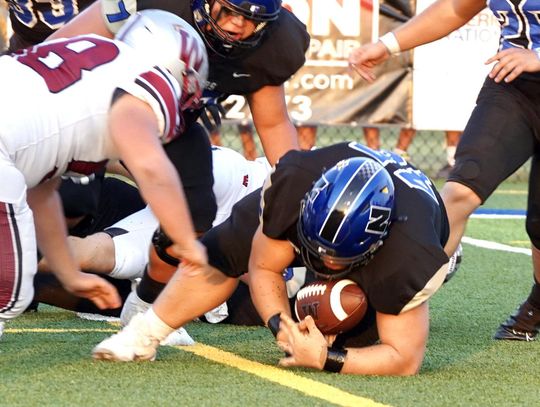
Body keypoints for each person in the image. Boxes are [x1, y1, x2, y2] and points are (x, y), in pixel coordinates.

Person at [92, 142, 452, 377]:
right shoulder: (294, 182)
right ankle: (144, 332)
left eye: (335, 260)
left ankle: (448, 262)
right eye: (316, 252)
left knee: (348, 332)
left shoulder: (409, 253)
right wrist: (282, 326)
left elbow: (404, 359)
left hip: (408, 229)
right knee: (219, 252)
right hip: (313, 200)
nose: (323, 263)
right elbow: (263, 266)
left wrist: (329, 360)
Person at [0, 10, 208, 336]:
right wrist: (186, 241)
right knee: (9, 292)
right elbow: (151, 166)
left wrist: (70, 274)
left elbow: (42, 196)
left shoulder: (87, 76)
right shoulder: (148, 80)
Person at [348, 0, 540, 341]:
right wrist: (386, 45)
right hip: (514, 87)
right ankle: (395, 304)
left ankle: (538, 303)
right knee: (459, 191)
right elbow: (454, 9)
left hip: (529, 65)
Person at [47, 0, 309, 167]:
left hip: (170, 129)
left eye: (252, 18)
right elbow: (59, 49)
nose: (239, 22)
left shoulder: (272, 43)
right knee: (75, 202)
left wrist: (291, 184)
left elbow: (273, 123)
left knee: (195, 210)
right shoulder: (159, 4)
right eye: (229, 10)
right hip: (95, 112)